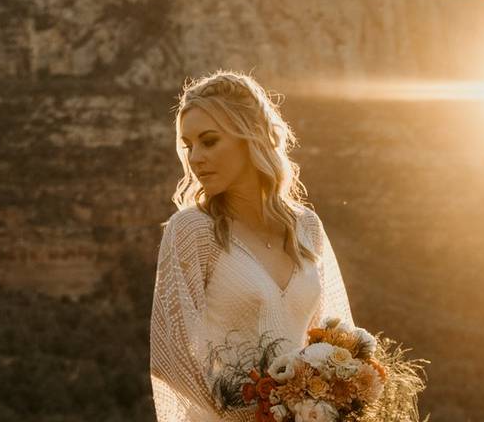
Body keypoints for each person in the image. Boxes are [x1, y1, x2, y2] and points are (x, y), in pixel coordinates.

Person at [149, 70, 354, 422]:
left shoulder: (306, 226)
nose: (195, 157)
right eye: (188, 145)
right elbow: (172, 357)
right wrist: (249, 416)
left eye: (209, 141)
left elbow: (337, 339)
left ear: (251, 137)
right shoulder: (193, 230)